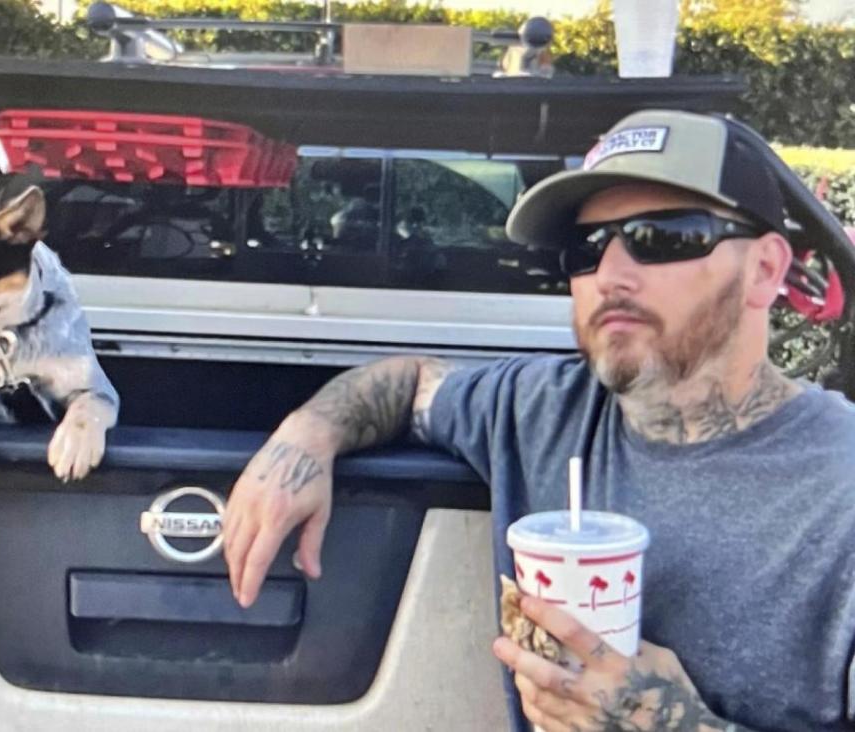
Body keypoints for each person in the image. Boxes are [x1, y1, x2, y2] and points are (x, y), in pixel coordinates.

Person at [221, 110, 855, 731]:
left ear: (766, 270)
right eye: (586, 249)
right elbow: (408, 381)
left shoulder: (839, 489)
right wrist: (305, 437)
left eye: (663, 237)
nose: (609, 275)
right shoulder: (537, 407)